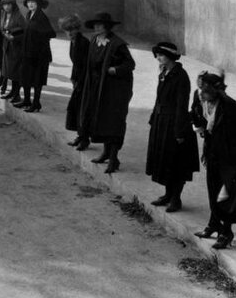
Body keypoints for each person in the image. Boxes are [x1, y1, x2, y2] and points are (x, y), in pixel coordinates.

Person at [190, 70, 236, 250]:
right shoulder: (203, 101)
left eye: (205, 91)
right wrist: (199, 125)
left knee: (226, 195)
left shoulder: (232, 108)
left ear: (215, 92)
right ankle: (213, 224)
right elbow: (197, 116)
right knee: (213, 191)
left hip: (230, 159)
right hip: (213, 154)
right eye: (200, 90)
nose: (201, 94)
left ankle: (226, 232)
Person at [145, 41, 199, 213]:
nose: (158, 58)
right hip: (161, 121)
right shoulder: (164, 72)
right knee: (164, 160)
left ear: (170, 56)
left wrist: (179, 130)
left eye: (161, 55)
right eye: (157, 55)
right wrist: (154, 117)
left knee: (176, 161)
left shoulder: (180, 76)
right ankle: (168, 194)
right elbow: (158, 98)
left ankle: (176, 198)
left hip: (174, 123)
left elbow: (181, 105)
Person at [80, 12, 135, 174]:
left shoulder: (117, 44)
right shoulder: (94, 41)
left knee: (113, 122)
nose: (96, 27)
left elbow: (130, 64)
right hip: (98, 88)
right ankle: (105, 153)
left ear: (107, 26)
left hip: (114, 90)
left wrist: (115, 69)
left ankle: (114, 158)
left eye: (100, 24)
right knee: (101, 120)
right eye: (95, 25)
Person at [20, 0, 55, 112]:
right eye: (28, 2)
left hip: (39, 55)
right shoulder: (29, 14)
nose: (30, 4)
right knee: (26, 77)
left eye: (33, 2)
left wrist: (38, 38)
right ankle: (26, 100)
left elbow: (51, 33)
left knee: (37, 79)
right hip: (27, 52)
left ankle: (36, 103)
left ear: (38, 4)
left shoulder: (41, 17)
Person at [61, 15, 91, 150]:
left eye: (72, 30)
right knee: (76, 108)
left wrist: (79, 81)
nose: (69, 33)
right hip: (78, 79)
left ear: (77, 29)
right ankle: (80, 135)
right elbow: (75, 64)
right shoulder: (73, 42)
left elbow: (86, 65)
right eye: (67, 30)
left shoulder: (83, 42)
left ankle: (85, 139)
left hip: (85, 80)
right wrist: (73, 77)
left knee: (82, 109)